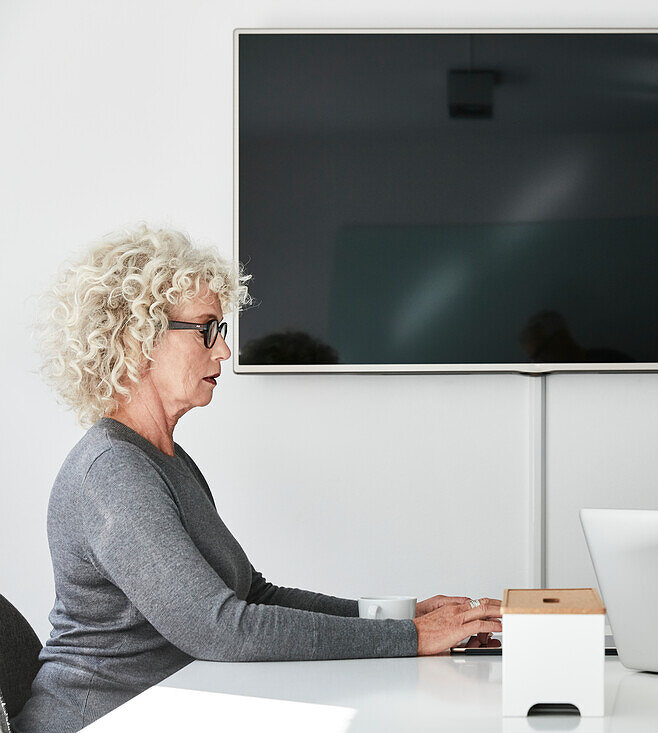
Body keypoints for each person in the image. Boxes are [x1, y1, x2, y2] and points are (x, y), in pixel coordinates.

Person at [15, 225, 501, 733]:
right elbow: (221, 630)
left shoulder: (165, 459)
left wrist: (398, 620)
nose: (223, 351)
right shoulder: (112, 472)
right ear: (138, 338)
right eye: (207, 329)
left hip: (164, 710)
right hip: (97, 720)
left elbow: (254, 598)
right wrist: (412, 638)